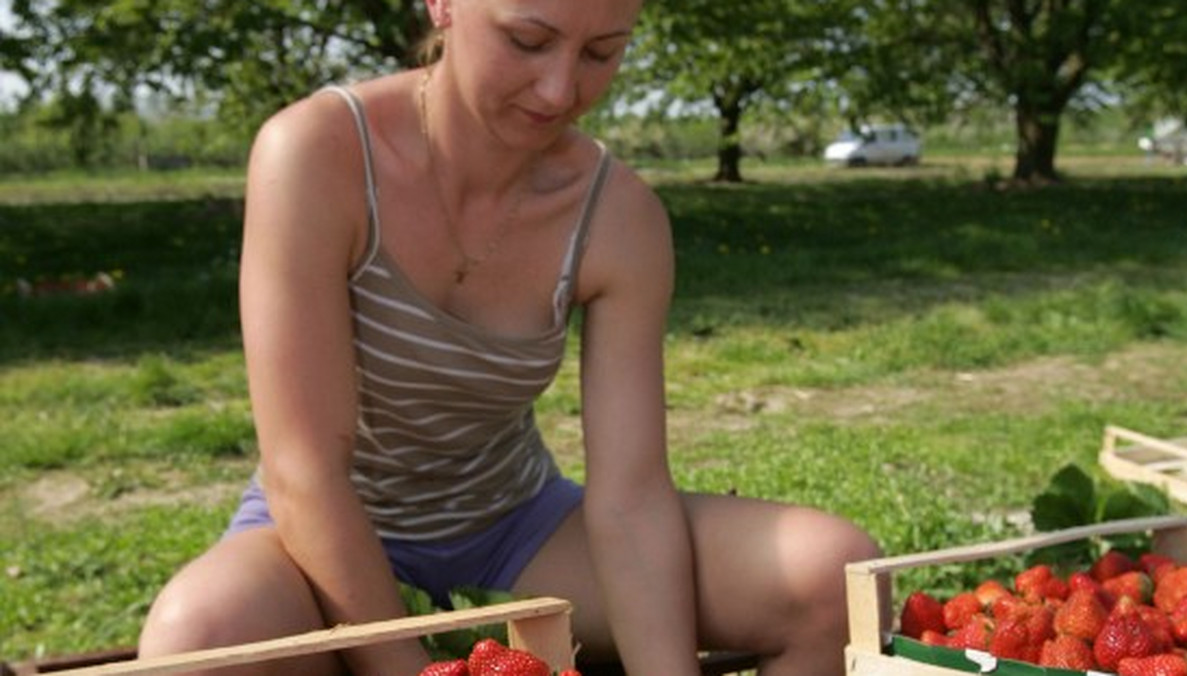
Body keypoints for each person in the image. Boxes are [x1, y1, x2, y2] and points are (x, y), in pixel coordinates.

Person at [137, 0, 883, 674]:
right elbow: (304, 471)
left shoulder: (618, 217)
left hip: (512, 529)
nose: (560, 91)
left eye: (602, 53)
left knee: (830, 576)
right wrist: (409, 669)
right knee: (194, 641)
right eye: (529, 40)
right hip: (311, 540)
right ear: (443, 5)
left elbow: (629, 496)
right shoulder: (317, 153)